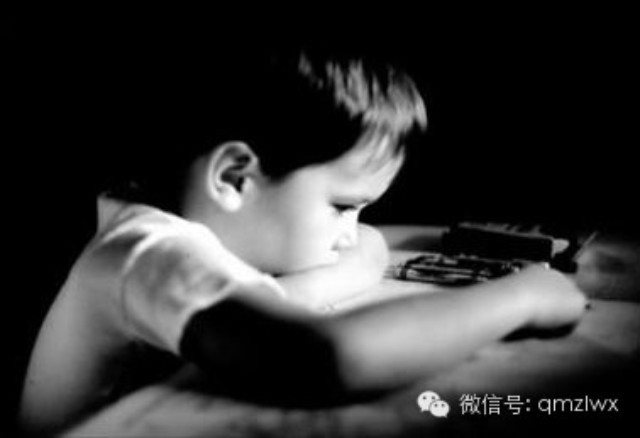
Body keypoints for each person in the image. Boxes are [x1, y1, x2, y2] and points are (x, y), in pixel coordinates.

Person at [19, 47, 587, 436]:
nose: (349, 230)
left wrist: (329, 273)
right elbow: (328, 357)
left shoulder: (181, 232)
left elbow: (366, 246)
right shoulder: (146, 252)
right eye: (341, 206)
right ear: (234, 178)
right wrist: (522, 297)